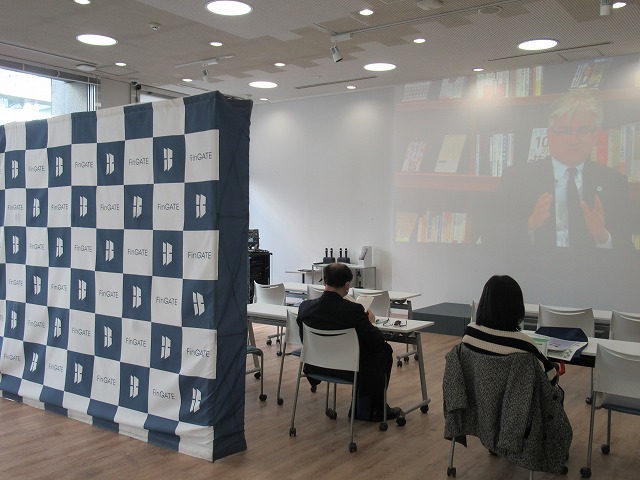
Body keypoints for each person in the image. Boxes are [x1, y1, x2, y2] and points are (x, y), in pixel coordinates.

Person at [496, 90, 633, 249]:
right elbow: (494, 239)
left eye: (583, 131)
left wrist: (601, 235)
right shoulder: (516, 179)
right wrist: (530, 225)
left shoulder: (614, 182)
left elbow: (626, 249)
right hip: (536, 264)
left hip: (593, 265)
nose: (573, 140)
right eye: (564, 131)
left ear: (595, 135)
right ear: (549, 135)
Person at [296, 262, 401, 421]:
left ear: (325, 282)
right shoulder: (354, 310)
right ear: (347, 285)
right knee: (384, 350)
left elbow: (304, 339)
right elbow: (376, 342)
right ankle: (373, 409)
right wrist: (371, 323)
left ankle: (365, 408)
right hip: (347, 369)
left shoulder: (305, 307)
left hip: (315, 366)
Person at [463, 275, 559, 384]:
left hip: (476, 393)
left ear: (484, 302)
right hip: (517, 395)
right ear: (517, 306)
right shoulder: (525, 345)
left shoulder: (469, 332)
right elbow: (550, 377)